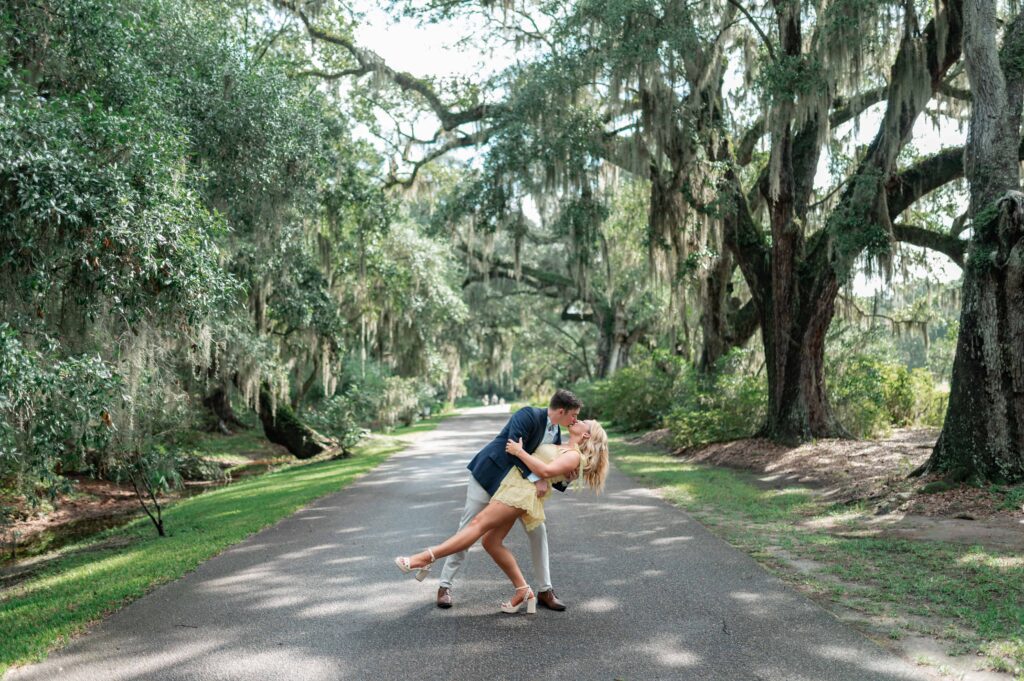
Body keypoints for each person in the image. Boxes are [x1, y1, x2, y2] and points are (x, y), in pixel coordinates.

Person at [395, 415, 609, 613]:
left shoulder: (573, 455)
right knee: (490, 541)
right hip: (513, 487)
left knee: (478, 525)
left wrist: (519, 452)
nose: (577, 419)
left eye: (583, 421)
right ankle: (523, 590)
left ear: (587, 434)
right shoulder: (561, 445)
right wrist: (563, 476)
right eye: (576, 415)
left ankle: (424, 558)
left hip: (520, 493)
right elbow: (548, 466)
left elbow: (545, 472)